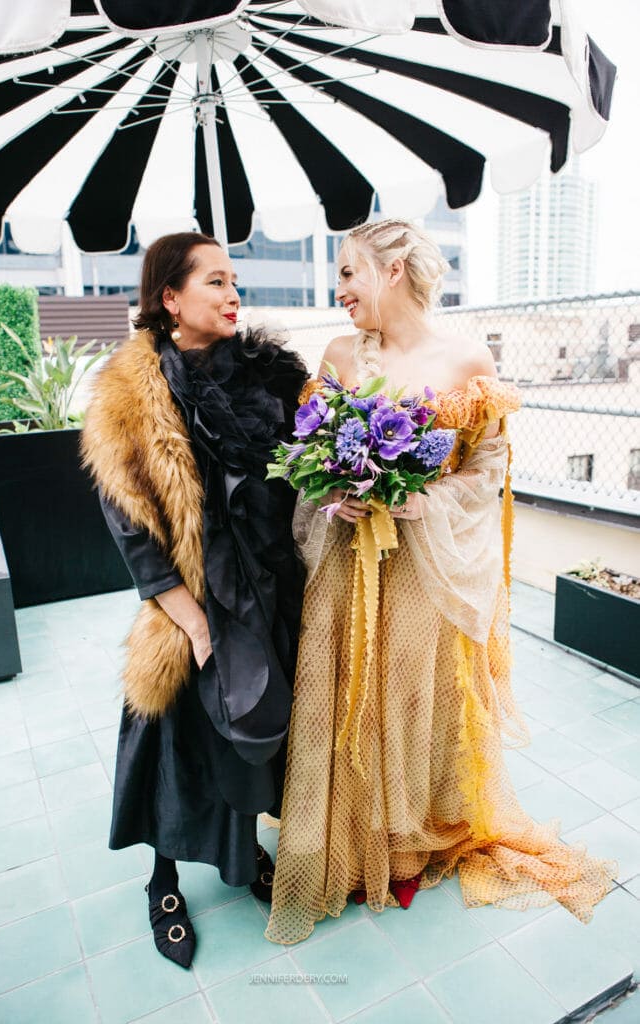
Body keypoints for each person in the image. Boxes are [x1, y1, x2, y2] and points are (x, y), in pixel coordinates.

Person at [265, 218, 615, 945]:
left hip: (422, 567)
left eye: (349, 272)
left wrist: (421, 500)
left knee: (411, 696)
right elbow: (304, 453)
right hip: (346, 563)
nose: (339, 290)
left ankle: (406, 843)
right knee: (341, 693)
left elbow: (488, 470)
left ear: (391, 270)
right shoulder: (336, 353)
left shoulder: (465, 358)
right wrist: (335, 495)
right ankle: (345, 840)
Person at [81, 232, 308, 968]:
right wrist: (196, 626)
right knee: (174, 748)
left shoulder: (275, 380)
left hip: (267, 590)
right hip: (188, 608)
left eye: (234, 279)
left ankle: (245, 863)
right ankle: (163, 880)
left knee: (250, 736)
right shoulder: (130, 397)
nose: (233, 293)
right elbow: (133, 532)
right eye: (214, 281)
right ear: (170, 298)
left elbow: (299, 484)